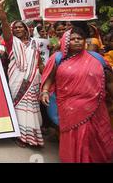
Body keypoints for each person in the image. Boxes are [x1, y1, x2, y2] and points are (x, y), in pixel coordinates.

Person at [41, 27, 113, 163]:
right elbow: (49, 78)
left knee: (94, 136)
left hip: (95, 107)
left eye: (79, 39)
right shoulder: (58, 58)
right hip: (70, 108)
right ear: (65, 41)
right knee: (75, 136)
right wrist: (45, 91)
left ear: (84, 40)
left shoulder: (96, 58)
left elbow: (109, 80)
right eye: (72, 39)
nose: (76, 41)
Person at [0, 0, 44, 148]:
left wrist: (44, 77)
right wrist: (0, 8)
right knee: (18, 106)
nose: (17, 29)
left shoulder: (34, 43)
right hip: (16, 78)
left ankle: (33, 135)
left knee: (32, 107)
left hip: (33, 79)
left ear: (26, 29)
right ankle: (20, 136)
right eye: (15, 27)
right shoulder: (11, 42)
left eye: (20, 27)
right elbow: (4, 24)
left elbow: (39, 62)